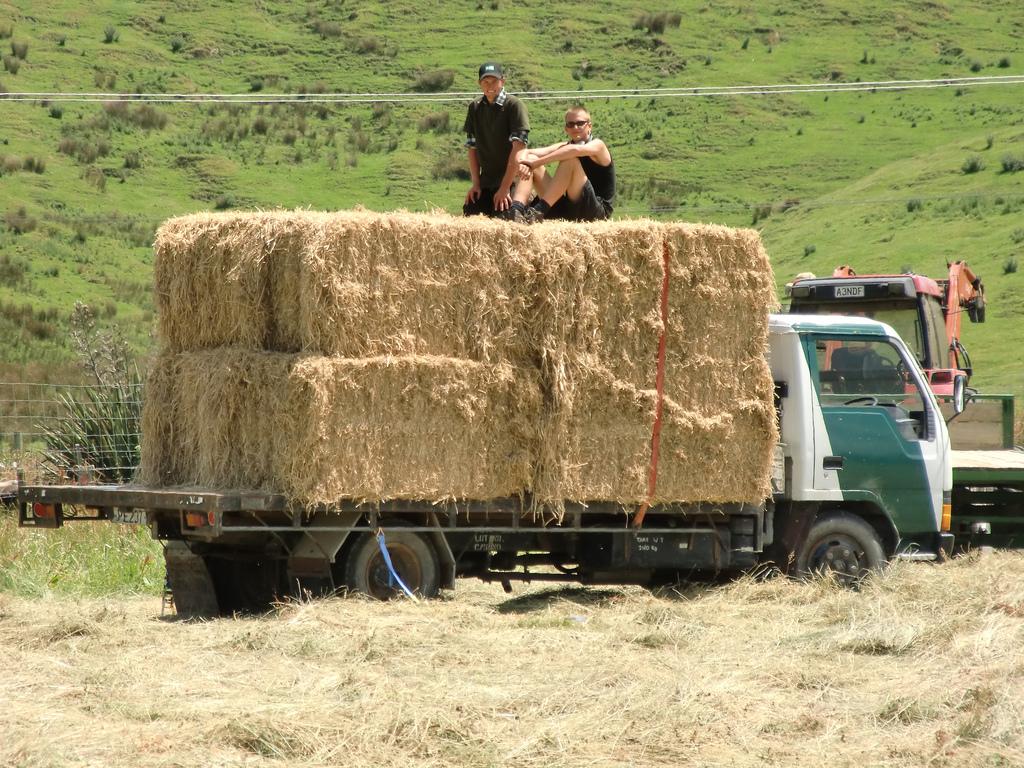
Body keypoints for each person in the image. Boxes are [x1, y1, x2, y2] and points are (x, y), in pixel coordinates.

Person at [504, 105, 615, 224]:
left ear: (589, 126)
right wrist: (524, 163)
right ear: (566, 129)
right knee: (531, 159)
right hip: (570, 210)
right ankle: (516, 211)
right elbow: (526, 152)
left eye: (580, 123)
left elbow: (574, 151)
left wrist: (536, 163)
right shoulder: (565, 146)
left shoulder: (598, 145)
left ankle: (537, 211)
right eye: (570, 124)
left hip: (595, 214)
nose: (575, 127)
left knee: (570, 160)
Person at [463, 62, 530, 217]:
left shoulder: (514, 105)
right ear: (479, 84)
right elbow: (472, 148)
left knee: (506, 216)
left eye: (494, 81)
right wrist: (476, 185)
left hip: (511, 180)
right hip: (486, 182)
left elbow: (518, 149)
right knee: (471, 214)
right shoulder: (475, 107)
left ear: (502, 81)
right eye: (485, 81)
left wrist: (505, 188)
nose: (490, 85)